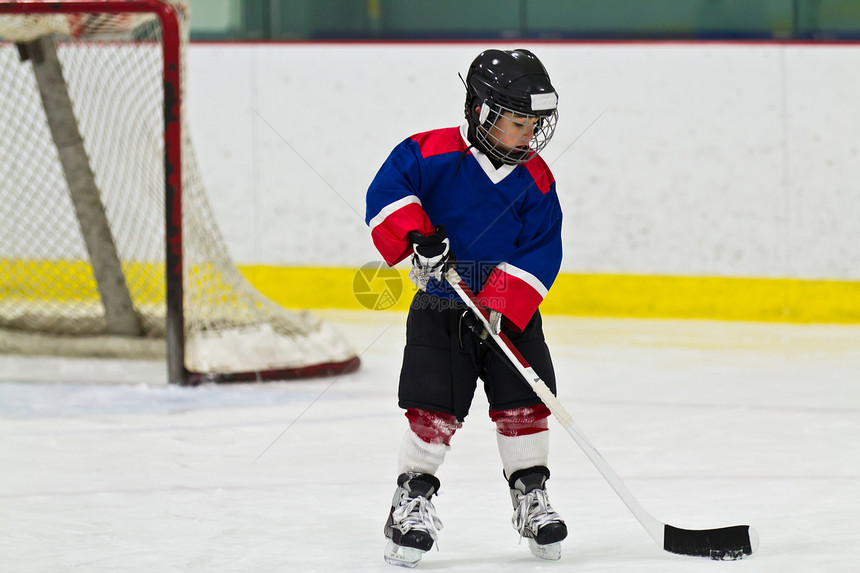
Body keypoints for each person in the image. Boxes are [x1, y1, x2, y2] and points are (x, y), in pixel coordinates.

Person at [365, 48, 565, 567]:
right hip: (440, 304)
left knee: (525, 400)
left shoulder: (537, 178)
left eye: (534, 124)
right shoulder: (426, 152)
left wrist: (502, 301)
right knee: (434, 405)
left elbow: (543, 246)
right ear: (481, 112)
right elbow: (386, 192)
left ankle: (531, 496)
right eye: (517, 122)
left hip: (510, 314)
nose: (528, 135)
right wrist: (418, 236)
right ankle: (410, 501)